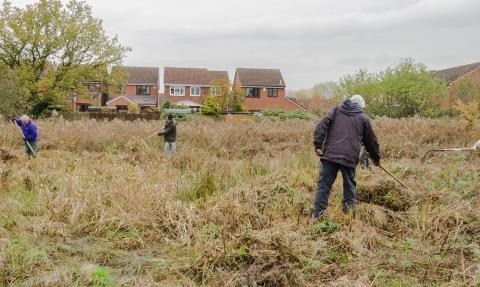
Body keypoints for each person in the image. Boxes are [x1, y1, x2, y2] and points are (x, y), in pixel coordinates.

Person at [312, 95, 380, 221]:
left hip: (330, 156)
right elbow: (371, 141)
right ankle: (348, 217)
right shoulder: (363, 118)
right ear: (360, 107)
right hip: (349, 158)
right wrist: (376, 159)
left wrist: (318, 145)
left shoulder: (335, 110)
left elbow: (321, 125)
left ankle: (317, 215)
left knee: (323, 186)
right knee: (349, 187)